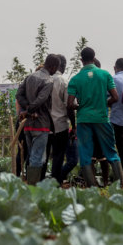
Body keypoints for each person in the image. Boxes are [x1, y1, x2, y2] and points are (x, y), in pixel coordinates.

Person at [66, 47, 123, 187]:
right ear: (94, 58)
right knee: (111, 151)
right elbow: (115, 97)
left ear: (81, 60)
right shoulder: (105, 75)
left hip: (83, 120)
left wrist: (79, 107)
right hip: (102, 118)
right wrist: (104, 103)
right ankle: (121, 184)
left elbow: (69, 103)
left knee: (86, 155)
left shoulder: (75, 79)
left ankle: (91, 187)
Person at [16, 54, 59, 184]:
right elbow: (41, 100)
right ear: (52, 66)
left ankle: (31, 184)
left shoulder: (29, 77)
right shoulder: (48, 80)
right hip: (41, 124)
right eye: (55, 68)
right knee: (37, 157)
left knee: (32, 155)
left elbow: (19, 94)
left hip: (28, 125)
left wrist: (27, 109)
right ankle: (33, 189)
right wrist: (30, 110)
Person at [48, 54, 73, 184]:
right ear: (62, 66)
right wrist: (73, 125)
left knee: (44, 156)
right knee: (58, 156)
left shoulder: (43, 79)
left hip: (44, 125)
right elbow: (69, 106)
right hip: (60, 125)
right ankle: (56, 183)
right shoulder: (63, 81)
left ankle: (40, 184)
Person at [110, 58, 123, 165]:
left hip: (117, 119)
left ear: (115, 68)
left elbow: (108, 98)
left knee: (121, 148)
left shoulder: (112, 79)